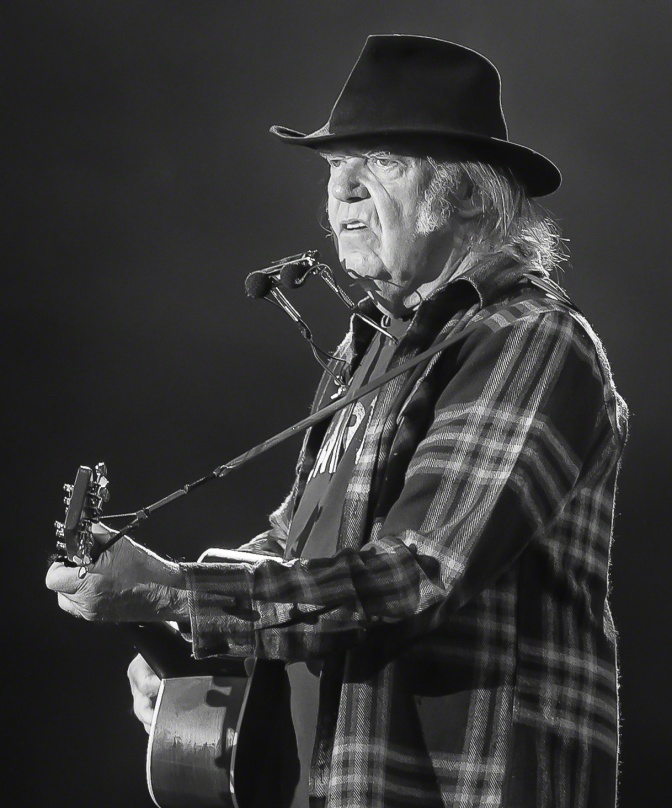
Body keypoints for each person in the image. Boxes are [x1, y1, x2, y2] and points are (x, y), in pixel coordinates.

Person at [46, 35, 628, 808]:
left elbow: (420, 573)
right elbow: (301, 544)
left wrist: (175, 594)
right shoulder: (372, 353)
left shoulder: (528, 338)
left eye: (382, 161)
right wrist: (189, 642)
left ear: (467, 193)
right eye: (332, 168)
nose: (343, 190)